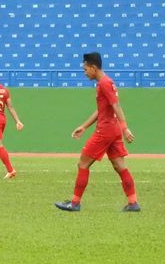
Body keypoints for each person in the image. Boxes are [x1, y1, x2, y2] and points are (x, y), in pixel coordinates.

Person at [55, 52, 139, 212]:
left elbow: (116, 105)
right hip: (112, 130)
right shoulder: (106, 82)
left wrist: (125, 127)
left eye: (85, 69)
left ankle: (74, 203)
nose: (84, 72)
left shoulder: (104, 84)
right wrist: (84, 126)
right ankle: (133, 203)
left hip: (106, 130)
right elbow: (103, 109)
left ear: (93, 67)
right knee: (120, 165)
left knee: (83, 163)